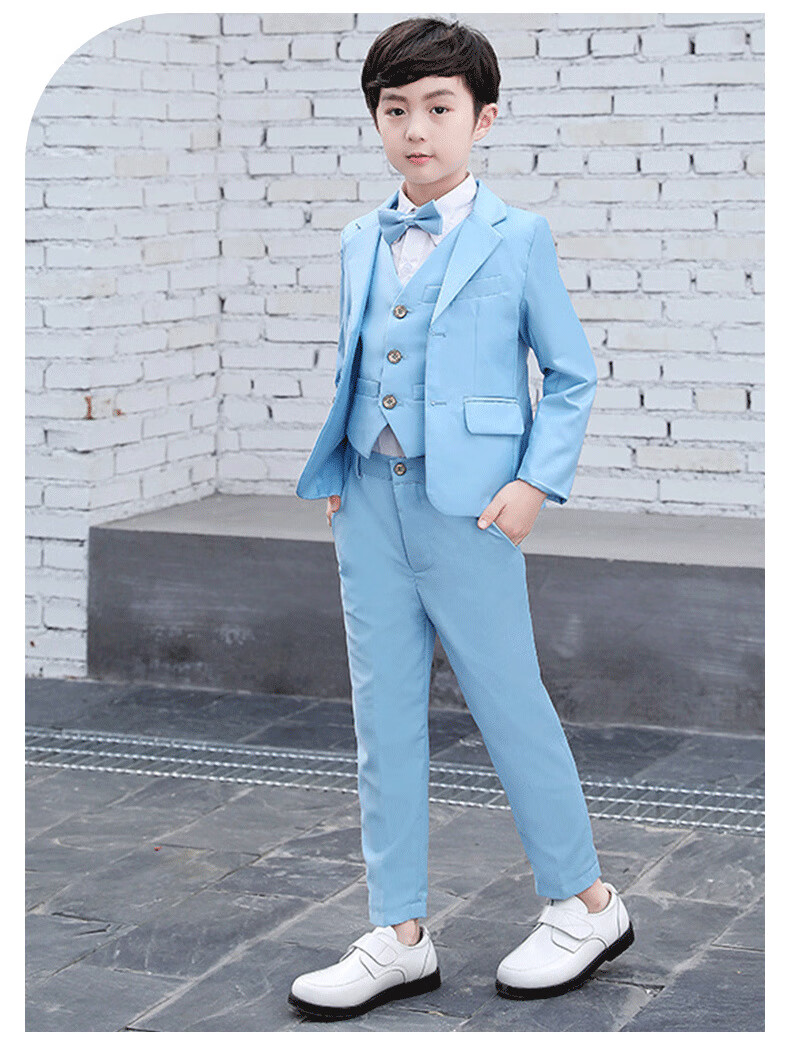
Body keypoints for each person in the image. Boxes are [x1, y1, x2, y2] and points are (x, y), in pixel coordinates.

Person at [289, 16, 634, 1022]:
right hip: (367, 498)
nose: (415, 129)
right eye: (394, 109)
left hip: (473, 508)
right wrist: (340, 467)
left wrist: (532, 484)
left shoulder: (517, 237)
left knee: (508, 701)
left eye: (438, 108)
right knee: (382, 716)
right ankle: (398, 933)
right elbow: (363, 359)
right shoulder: (359, 238)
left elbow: (570, 373)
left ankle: (585, 904)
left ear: (481, 119)